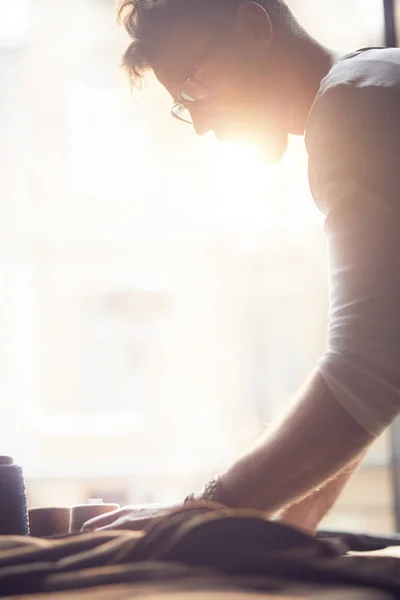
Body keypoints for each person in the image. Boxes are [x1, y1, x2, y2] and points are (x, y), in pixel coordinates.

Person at [83, 0, 400, 534]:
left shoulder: (352, 107)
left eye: (195, 87)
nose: (201, 124)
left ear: (254, 27)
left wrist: (194, 519)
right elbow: (386, 354)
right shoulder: (378, 79)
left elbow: (367, 370)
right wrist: (295, 522)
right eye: (183, 105)